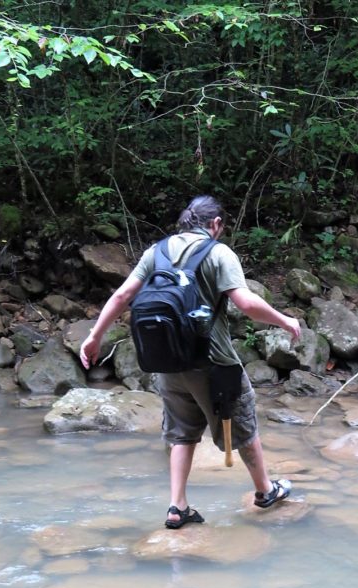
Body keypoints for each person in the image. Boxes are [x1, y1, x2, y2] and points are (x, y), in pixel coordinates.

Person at [79, 195, 301, 529]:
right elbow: (245, 303)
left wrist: (94, 336)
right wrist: (285, 320)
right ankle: (265, 491)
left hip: (167, 361)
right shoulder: (218, 252)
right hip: (214, 362)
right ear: (214, 225)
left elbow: (123, 296)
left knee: (181, 432)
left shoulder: (156, 252)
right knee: (243, 422)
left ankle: (177, 506)